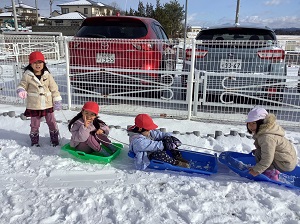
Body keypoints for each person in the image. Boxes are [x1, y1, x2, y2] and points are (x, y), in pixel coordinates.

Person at [16, 51, 62, 147]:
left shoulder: (47, 75)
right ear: (31, 64)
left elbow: (54, 88)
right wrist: (21, 90)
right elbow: (22, 85)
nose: (38, 65)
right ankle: (34, 141)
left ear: (43, 63)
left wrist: (57, 100)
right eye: (35, 62)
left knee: (52, 122)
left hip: (47, 104)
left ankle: (54, 139)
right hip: (34, 105)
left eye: (40, 62)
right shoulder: (27, 76)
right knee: (35, 124)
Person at [246, 107, 297, 181]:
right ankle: (272, 170)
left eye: (254, 123)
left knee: (260, 153)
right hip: (287, 160)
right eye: (249, 123)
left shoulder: (267, 137)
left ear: (262, 123)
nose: (251, 126)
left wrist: (256, 170)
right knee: (260, 152)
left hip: (285, 163)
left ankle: (271, 174)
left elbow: (267, 158)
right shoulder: (268, 131)